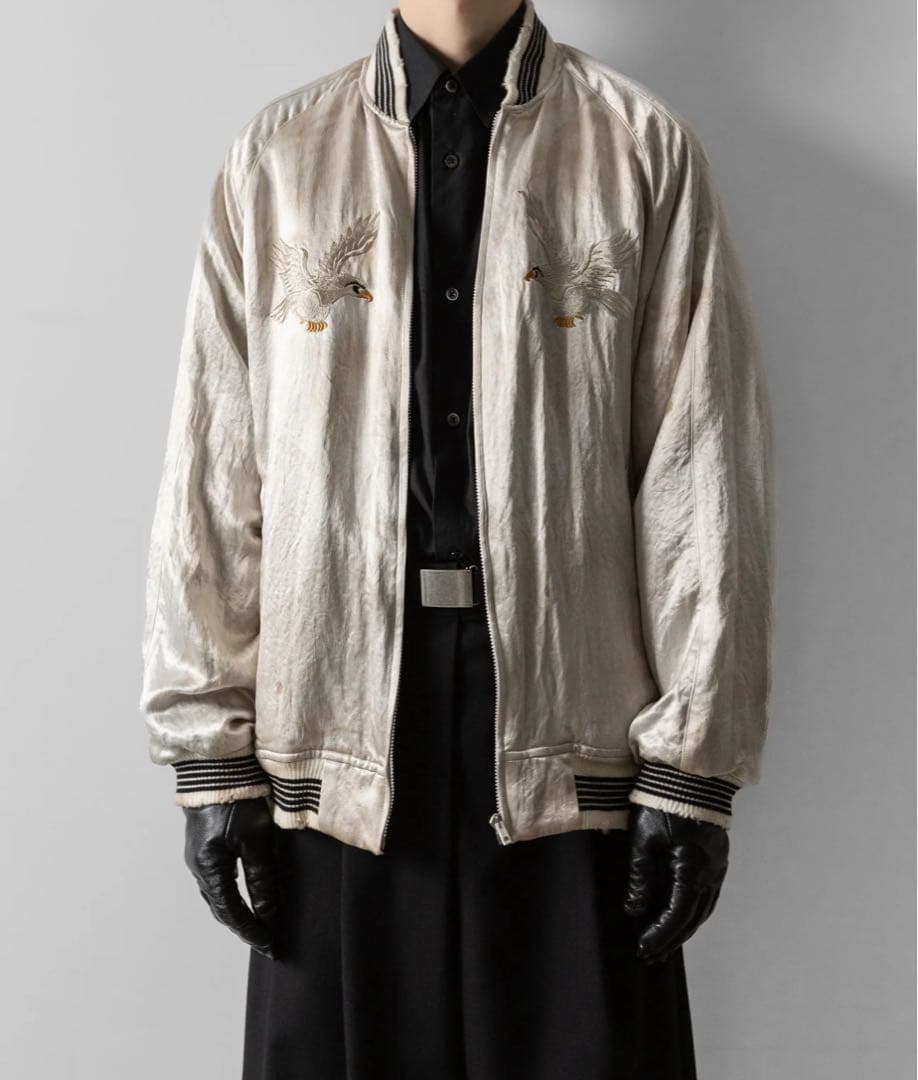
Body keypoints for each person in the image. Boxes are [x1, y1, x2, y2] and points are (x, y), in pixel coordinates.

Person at [140, 1, 774, 1076]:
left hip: (573, 734)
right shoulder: (281, 158)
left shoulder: (637, 147)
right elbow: (214, 463)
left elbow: (701, 467)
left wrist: (693, 767)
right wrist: (211, 760)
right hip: (333, 733)